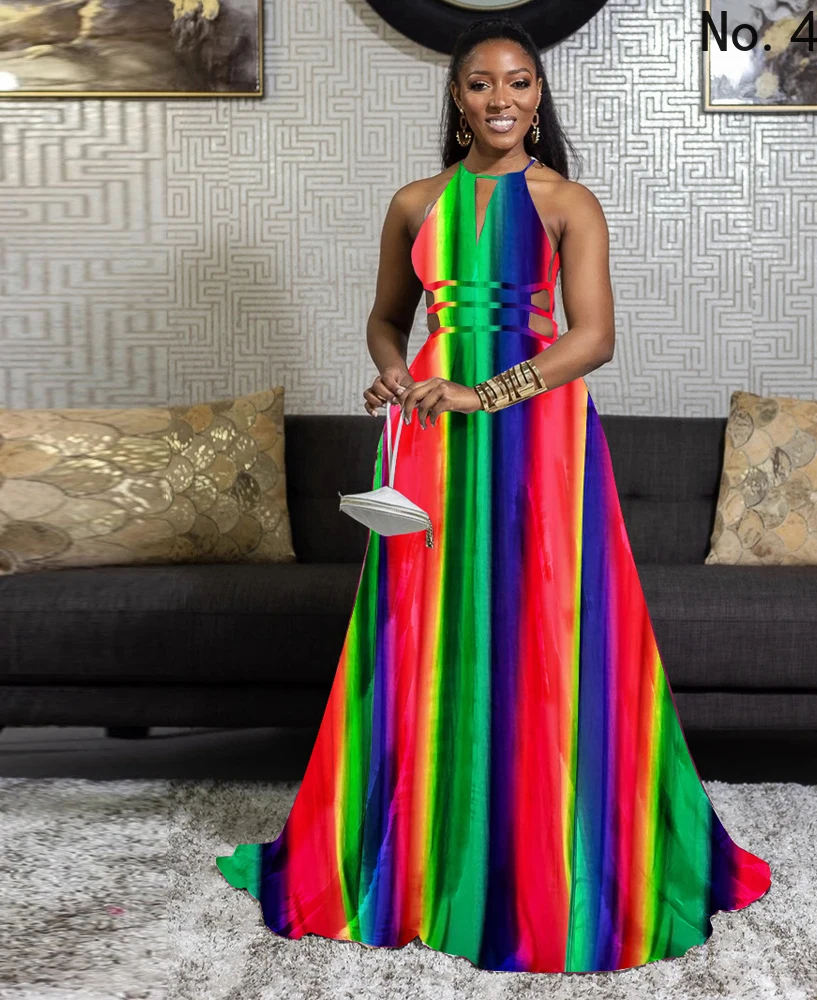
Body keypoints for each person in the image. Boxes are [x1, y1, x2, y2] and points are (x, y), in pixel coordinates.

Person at [216, 17, 771, 974]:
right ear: (457, 98)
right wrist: (396, 374)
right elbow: (387, 320)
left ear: (538, 96)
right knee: (424, 623)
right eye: (481, 84)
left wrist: (490, 392)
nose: (500, 98)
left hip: (540, 435)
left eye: (518, 82)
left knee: (546, 621)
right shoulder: (413, 202)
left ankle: (549, 843)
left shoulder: (567, 201)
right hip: (433, 435)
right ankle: (424, 846)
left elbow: (593, 337)